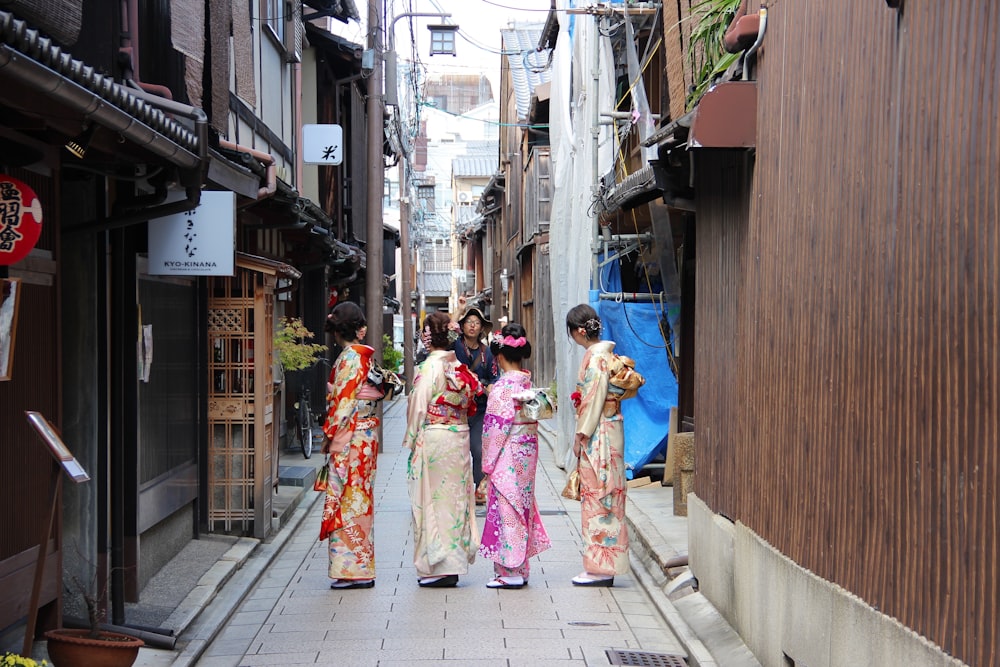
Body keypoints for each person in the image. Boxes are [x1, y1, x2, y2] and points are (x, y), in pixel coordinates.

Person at [404, 311, 482, 587]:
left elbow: (418, 407)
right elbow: (469, 402)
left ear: (428, 338)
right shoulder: (460, 367)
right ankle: (454, 564)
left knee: (433, 502)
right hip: (459, 436)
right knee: (456, 501)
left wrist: (412, 438)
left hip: (436, 438)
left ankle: (438, 565)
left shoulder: (429, 368)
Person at [478, 323, 552, 589]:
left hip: (507, 454)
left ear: (498, 357)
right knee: (522, 505)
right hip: (527, 451)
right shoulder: (527, 385)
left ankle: (510, 570)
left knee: (506, 508)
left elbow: (494, 430)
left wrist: (487, 465)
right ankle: (521, 568)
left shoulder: (502, 388)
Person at [566, 303, 629, 587]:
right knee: (610, 495)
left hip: (598, 434)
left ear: (579, 332)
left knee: (597, 496)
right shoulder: (607, 354)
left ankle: (600, 568)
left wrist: (580, 436)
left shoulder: (595, 359)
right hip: (611, 428)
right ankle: (606, 565)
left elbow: (591, 401)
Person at [319, 302, 381, 590]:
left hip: (351, 439)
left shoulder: (349, 360)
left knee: (347, 501)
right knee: (360, 500)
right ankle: (360, 565)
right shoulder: (363, 357)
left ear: (336, 332)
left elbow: (343, 406)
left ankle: (353, 570)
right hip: (365, 438)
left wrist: (331, 439)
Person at [451, 306, 498, 503]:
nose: (473, 325)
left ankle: (480, 489)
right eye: (469, 322)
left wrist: (485, 386)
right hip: (457, 408)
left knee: (478, 449)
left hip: (479, 408)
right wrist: (458, 310)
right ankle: (457, 491)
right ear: (462, 326)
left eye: (477, 323)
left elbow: (494, 378)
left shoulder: (487, 353)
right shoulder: (454, 347)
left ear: (481, 328)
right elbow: (446, 331)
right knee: (456, 451)